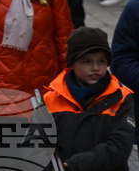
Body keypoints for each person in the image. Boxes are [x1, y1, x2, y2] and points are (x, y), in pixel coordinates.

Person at [44, 27, 134, 171]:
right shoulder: (51, 99)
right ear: (72, 64)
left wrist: (73, 165)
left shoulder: (122, 98)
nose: (95, 68)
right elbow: (34, 144)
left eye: (102, 61)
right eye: (87, 61)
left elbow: (120, 147)